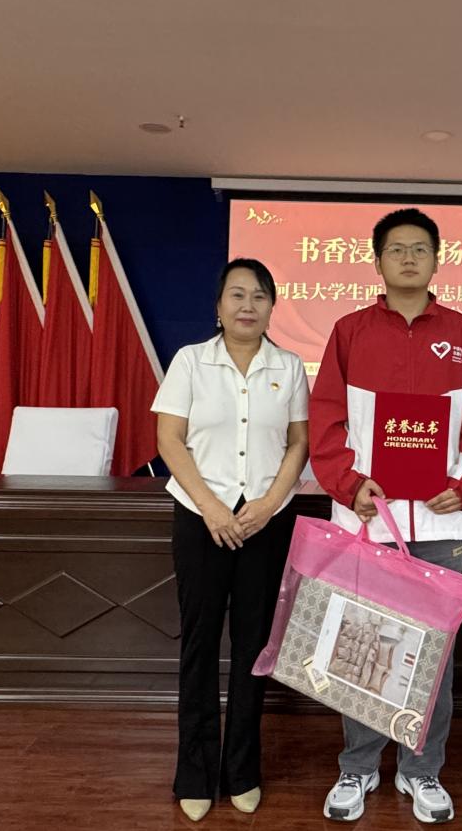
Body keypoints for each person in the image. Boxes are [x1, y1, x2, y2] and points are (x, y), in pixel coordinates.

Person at [310, 207, 462, 824]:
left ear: (437, 261)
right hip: (367, 517)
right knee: (360, 644)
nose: (409, 258)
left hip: (439, 524)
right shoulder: (350, 331)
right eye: (397, 249)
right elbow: (326, 419)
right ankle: (359, 766)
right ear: (378, 262)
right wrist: (349, 485)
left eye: (420, 248)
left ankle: (421, 771)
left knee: (432, 655)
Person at [152, 258, 309, 822]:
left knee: (253, 647)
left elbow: (298, 443)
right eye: (237, 295)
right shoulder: (191, 361)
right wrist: (213, 507)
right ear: (218, 306)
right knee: (199, 645)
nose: (248, 305)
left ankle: (242, 770)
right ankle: (194, 774)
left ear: (272, 306)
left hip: (266, 522)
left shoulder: (289, 366)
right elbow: (170, 439)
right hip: (202, 519)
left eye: (259, 296)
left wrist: (266, 505)